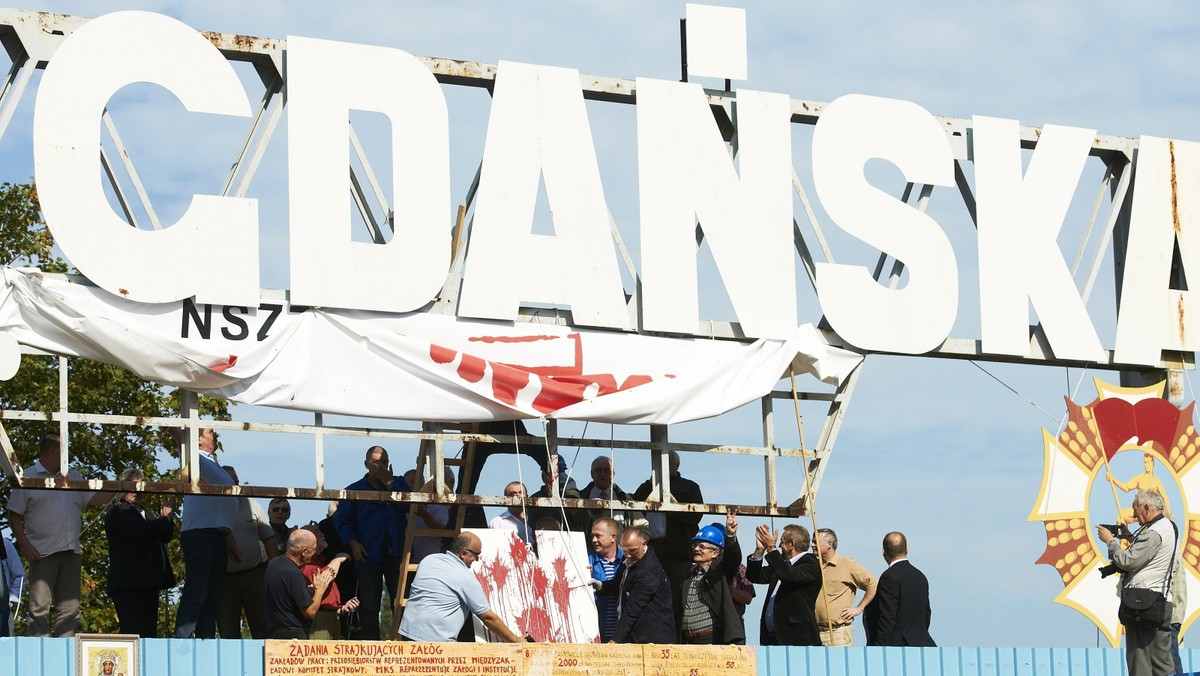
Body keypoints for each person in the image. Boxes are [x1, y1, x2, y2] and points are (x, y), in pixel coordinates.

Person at [7, 432, 112, 636]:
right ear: (53, 451)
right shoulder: (27, 477)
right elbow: (14, 516)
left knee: (70, 610)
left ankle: (66, 650)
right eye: (64, 451)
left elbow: (95, 499)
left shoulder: (73, 476)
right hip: (42, 552)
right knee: (39, 609)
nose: (67, 457)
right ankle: (38, 650)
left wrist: (120, 487)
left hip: (71, 552)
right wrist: (25, 545)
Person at [335, 445, 411, 640]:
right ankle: (372, 648)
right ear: (366, 464)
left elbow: (410, 506)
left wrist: (390, 483)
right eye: (376, 462)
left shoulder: (399, 484)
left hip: (396, 553)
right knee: (369, 608)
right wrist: (353, 544)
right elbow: (343, 522)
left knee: (401, 605)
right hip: (368, 554)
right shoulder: (353, 490)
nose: (380, 466)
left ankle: (404, 647)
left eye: (384, 462)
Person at [1098, 489, 1176, 675]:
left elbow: (1129, 561)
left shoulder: (1154, 532)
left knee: (1139, 661)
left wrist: (1110, 542)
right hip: (1161, 602)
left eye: (1136, 511)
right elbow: (1148, 554)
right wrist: (1128, 537)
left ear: (1147, 508)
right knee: (1161, 663)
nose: (1134, 516)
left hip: (1143, 604)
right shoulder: (1167, 527)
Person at [398, 531, 523, 643]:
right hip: (435, 643)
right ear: (463, 553)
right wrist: (516, 640)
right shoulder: (464, 576)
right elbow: (488, 617)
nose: (476, 560)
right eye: (476, 555)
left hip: (408, 634)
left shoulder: (428, 560)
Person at [173, 427, 238, 638]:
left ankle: (205, 641)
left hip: (216, 536)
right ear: (198, 439)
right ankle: (180, 641)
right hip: (201, 534)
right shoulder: (195, 458)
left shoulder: (211, 462)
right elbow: (179, 438)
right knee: (197, 592)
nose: (216, 433)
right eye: (210, 431)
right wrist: (175, 427)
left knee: (212, 596)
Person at [104, 467, 176, 637]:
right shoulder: (118, 511)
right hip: (129, 583)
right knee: (132, 632)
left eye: (140, 487)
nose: (137, 491)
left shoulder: (145, 513)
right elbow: (142, 531)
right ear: (123, 487)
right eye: (132, 486)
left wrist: (168, 518)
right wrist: (165, 520)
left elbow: (164, 536)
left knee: (148, 633)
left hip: (148, 582)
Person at [632, 450, 703, 613]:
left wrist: (667, 508)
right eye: (660, 462)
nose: (663, 466)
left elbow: (695, 516)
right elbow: (634, 510)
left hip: (678, 551)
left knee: (677, 596)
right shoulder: (646, 487)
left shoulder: (689, 487)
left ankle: (676, 629)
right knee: (648, 593)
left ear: (677, 466)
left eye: (668, 462)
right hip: (650, 549)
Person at [216, 466, 279, 639]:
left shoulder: (252, 505)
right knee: (228, 631)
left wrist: (275, 571)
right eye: (229, 482)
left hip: (255, 576)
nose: (234, 486)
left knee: (264, 628)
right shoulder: (212, 507)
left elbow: (269, 538)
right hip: (224, 579)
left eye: (236, 482)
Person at [746, 523, 822, 646]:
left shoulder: (811, 563)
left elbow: (788, 575)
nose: (779, 546)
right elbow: (754, 576)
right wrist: (760, 550)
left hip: (797, 640)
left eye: (781, 542)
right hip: (772, 640)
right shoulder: (781, 565)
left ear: (791, 544)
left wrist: (771, 547)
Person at [596, 527, 675, 644]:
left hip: (652, 640)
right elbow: (618, 584)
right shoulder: (630, 560)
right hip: (637, 636)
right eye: (624, 550)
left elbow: (632, 610)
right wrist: (600, 586)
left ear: (644, 544)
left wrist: (614, 641)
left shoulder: (648, 572)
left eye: (633, 551)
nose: (628, 555)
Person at [677, 512, 744, 645]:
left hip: (712, 639)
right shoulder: (688, 577)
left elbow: (733, 558)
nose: (696, 549)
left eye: (702, 546)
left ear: (715, 553)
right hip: (688, 641)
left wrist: (730, 536)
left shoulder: (720, 573)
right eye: (695, 545)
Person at [864, 531, 935, 647]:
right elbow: (926, 614)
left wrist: (879, 647)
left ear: (884, 552)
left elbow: (887, 616)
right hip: (921, 643)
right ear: (907, 549)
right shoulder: (920, 577)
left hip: (897, 646)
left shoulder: (889, 577)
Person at [265, 529, 335, 639]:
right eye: (314, 549)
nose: (315, 553)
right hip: (293, 636)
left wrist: (306, 591)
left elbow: (285, 596)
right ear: (304, 551)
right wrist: (320, 589)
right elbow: (309, 612)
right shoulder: (294, 573)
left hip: (274, 633)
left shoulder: (274, 563)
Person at [812, 527, 877, 646]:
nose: (812, 545)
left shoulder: (847, 564)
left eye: (816, 542)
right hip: (815, 631)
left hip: (838, 633)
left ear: (829, 544)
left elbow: (873, 585)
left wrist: (859, 608)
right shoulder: (814, 566)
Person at [298, 523, 357, 639]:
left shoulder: (319, 563)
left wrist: (341, 609)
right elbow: (323, 578)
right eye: (317, 532)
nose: (322, 534)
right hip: (319, 619)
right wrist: (338, 559)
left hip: (332, 617)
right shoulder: (306, 565)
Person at [1108, 453, 1172, 524]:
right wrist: (1112, 479)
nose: (1147, 465)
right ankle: (1123, 531)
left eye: (1149, 462)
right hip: (1140, 510)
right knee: (1121, 515)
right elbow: (1126, 487)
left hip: (1151, 512)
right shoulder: (1140, 478)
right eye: (1145, 462)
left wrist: (1167, 514)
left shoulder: (1156, 480)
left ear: (1153, 464)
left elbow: (1165, 497)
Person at [530, 455, 588, 532]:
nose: (557, 479)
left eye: (559, 475)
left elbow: (583, 520)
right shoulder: (535, 499)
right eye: (552, 475)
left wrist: (573, 506)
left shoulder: (573, 496)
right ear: (543, 477)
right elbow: (535, 523)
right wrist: (560, 512)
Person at [579, 456, 640, 529]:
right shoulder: (580, 498)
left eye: (607, 471)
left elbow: (642, 525)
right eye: (598, 470)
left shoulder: (624, 499)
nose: (602, 474)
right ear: (592, 474)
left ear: (613, 475)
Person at [588, 517, 623, 642]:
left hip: (621, 635)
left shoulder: (627, 560)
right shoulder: (586, 560)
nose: (594, 540)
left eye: (598, 536)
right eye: (592, 536)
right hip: (596, 633)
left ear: (613, 537)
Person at [1, 534, 25, 637]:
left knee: (5, 645)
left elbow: (19, 575)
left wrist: (11, 598)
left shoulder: (5, 544)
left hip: (3, 610)